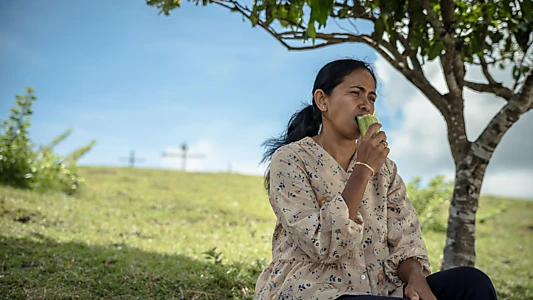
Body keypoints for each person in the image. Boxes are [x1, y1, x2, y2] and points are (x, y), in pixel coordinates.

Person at [254, 59, 498, 300]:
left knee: (472, 282)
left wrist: (416, 281)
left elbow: (405, 241)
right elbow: (322, 244)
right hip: (314, 289)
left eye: (371, 98)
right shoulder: (289, 159)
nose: (366, 106)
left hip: (381, 290)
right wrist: (362, 169)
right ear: (322, 100)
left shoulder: (387, 170)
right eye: (355, 93)